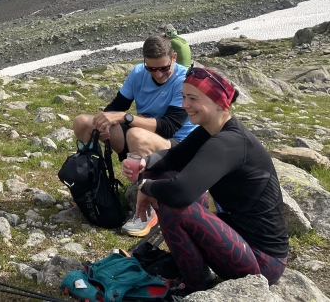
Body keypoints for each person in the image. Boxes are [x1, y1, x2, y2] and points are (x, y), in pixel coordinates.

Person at [127, 67, 288, 294]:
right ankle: (194, 272)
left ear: (220, 103)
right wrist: (146, 165)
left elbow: (181, 192)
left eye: (193, 98)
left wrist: (145, 187)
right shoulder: (209, 131)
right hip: (239, 235)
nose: (184, 105)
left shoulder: (229, 141)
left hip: (263, 262)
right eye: (183, 97)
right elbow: (174, 157)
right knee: (163, 177)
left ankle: (195, 288)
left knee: (175, 207)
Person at [72, 35, 197, 236]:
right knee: (84, 122)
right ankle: (94, 190)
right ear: (144, 62)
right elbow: (116, 107)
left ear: (174, 57)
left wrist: (126, 117)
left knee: (137, 135)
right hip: (141, 138)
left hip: (178, 147)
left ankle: (149, 208)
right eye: (151, 69)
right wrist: (106, 121)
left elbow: (168, 127)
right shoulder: (138, 73)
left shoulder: (183, 79)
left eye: (164, 68)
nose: (158, 74)